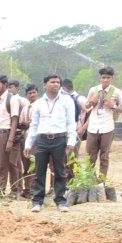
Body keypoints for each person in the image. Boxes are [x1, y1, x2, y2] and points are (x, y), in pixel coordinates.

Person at [26, 74, 77, 213]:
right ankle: (37, 201)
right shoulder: (38, 103)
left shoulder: (67, 101)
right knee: (39, 171)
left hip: (60, 139)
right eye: (52, 82)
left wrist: (71, 141)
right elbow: (34, 125)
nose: (55, 84)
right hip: (42, 140)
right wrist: (28, 143)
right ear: (45, 85)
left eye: (58, 82)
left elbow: (71, 122)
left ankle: (60, 201)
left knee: (60, 171)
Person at [84, 67, 122, 179]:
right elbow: (86, 107)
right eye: (103, 77)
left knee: (104, 156)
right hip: (93, 127)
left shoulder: (117, 92)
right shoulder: (93, 90)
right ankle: (89, 180)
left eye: (108, 78)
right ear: (100, 78)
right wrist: (91, 103)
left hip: (107, 127)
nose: (105, 80)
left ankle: (101, 181)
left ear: (112, 78)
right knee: (90, 156)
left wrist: (113, 106)